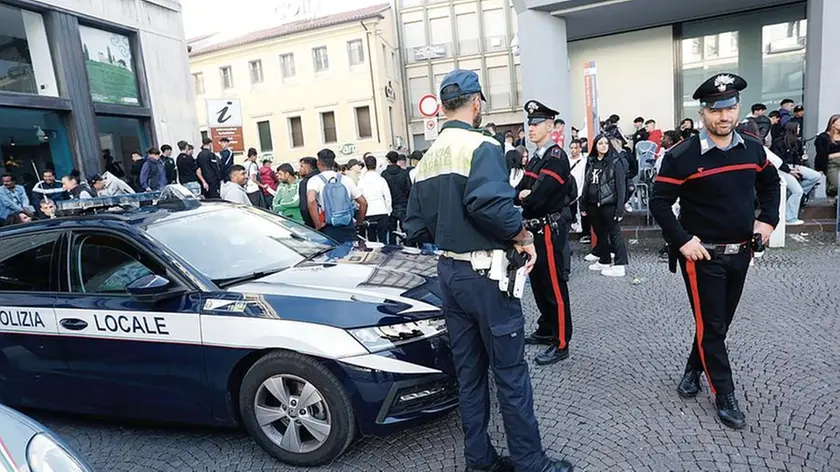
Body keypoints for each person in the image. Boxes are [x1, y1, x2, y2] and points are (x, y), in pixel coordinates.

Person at [403, 69, 573, 472]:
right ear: (477, 102)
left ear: (444, 107)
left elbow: (415, 225)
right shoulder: (481, 145)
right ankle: (531, 463)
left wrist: (452, 230)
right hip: (486, 277)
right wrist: (522, 237)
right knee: (510, 373)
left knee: (470, 374)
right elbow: (489, 205)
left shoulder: (429, 156)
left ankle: (479, 460)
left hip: (451, 274)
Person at [650, 73, 780, 430]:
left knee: (716, 325)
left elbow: (771, 183)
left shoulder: (752, 148)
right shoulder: (682, 156)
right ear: (703, 112)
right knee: (713, 326)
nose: (724, 117)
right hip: (702, 256)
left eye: (730, 108)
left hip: (742, 253)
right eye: (716, 110)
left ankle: (693, 368)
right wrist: (682, 240)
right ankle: (724, 393)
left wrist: (767, 222)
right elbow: (659, 202)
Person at [515, 100, 574, 366]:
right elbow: (522, 191)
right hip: (535, 229)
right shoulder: (538, 157)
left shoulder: (555, 157)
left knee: (553, 286)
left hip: (548, 228)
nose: (531, 128)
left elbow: (538, 196)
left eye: (537, 123)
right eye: (530, 124)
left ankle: (561, 341)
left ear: (550, 126)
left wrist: (527, 194)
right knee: (539, 284)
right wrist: (525, 194)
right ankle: (546, 327)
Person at [580, 134, 629, 278]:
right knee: (600, 233)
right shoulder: (591, 161)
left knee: (615, 233)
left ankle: (620, 264)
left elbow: (621, 186)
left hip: (609, 203)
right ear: (595, 145)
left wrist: (620, 208)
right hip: (592, 203)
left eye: (605, 143)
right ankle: (604, 259)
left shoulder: (615, 162)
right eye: (600, 143)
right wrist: (583, 204)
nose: (603, 146)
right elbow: (586, 183)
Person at [306, 149, 368, 243]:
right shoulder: (346, 179)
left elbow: (311, 200)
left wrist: (318, 224)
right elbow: (363, 202)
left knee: (331, 255)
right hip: (348, 225)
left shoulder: (314, 180)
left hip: (328, 227)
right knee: (350, 254)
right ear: (333, 162)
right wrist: (359, 222)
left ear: (318, 163)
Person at [770, 122, 821, 225]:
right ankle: (790, 217)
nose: (799, 129)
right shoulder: (778, 142)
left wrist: (797, 167)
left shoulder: (797, 142)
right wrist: (790, 171)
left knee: (816, 176)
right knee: (797, 191)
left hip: (793, 166)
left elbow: (797, 157)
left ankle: (802, 193)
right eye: (798, 128)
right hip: (782, 169)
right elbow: (777, 160)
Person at [357, 154, 392, 243]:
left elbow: (358, 198)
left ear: (365, 165)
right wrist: (388, 210)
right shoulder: (381, 180)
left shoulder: (361, 181)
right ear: (375, 165)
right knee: (383, 238)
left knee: (371, 239)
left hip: (368, 212)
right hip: (382, 210)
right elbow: (387, 196)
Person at [382, 150, 412, 244]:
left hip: (390, 205)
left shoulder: (384, 174)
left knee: (392, 231)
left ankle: (392, 250)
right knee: (406, 230)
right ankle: (409, 248)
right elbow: (409, 189)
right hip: (403, 204)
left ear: (388, 160)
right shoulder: (404, 173)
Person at [814, 114, 840, 196]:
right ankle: (831, 196)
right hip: (832, 163)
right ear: (833, 124)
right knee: (834, 185)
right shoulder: (824, 137)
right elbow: (821, 154)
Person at [298, 157, 319, 228]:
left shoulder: (305, 182)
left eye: (301, 166)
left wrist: (310, 224)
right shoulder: (322, 177)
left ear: (308, 167)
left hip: (313, 222)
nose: (299, 169)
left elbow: (304, 208)